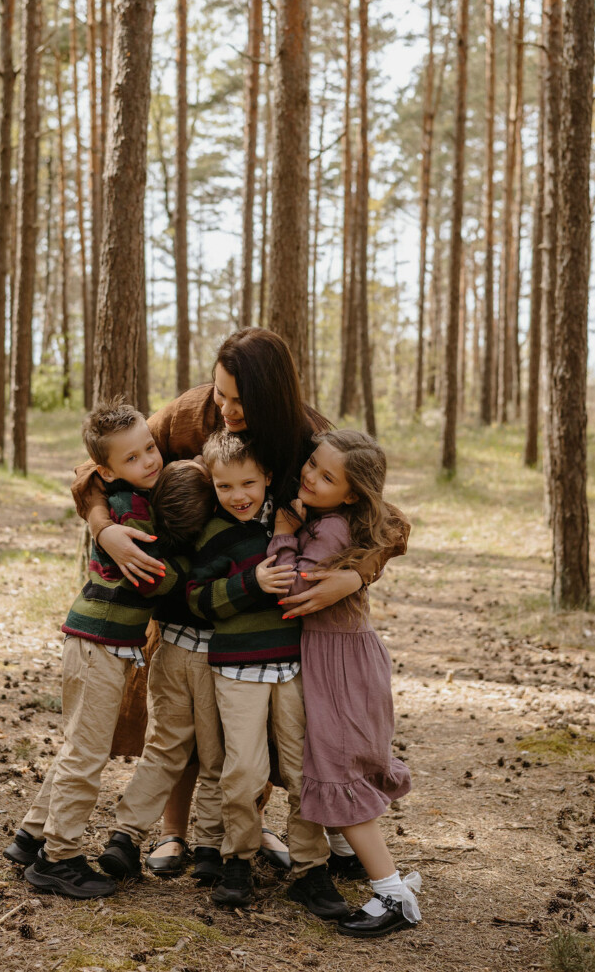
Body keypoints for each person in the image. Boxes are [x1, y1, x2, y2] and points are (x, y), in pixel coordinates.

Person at [70, 328, 402, 870]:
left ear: (271, 397)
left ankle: (237, 835)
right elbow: (97, 467)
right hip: (183, 601)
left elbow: (386, 520)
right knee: (176, 731)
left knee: (249, 735)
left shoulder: (306, 435)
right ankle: (172, 835)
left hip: (262, 618)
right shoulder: (189, 411)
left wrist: (355, 577)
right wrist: (104, 527)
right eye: (220, 393)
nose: (223, 408)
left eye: (238, 400)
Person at [3, 401, 215, 898]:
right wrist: (196, 566)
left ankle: (29, 837)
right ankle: (59, 858)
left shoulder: (135, 496)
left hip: (102, 644)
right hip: (98, 644)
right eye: (133, 458)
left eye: (150, 448)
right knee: (87, 754)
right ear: (106, 470)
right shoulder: (127, 511)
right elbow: (155, 580)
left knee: (78, 745)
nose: (150, 461)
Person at [185, 431, 350, 921]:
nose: (238, 496)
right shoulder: (213, 533)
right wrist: (249, 583)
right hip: (236, 670)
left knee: (302, 769)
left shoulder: (296, 522)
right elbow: (197, 599)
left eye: (248, 483)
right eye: (225, 486)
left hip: (294, 665)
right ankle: (238, 859)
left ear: (268, 479)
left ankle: (310, 869)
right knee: (245, 771)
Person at [267, 429, 422, 939]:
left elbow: (293, 590)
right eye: (312, 464)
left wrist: (285, 532)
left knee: (339, 768)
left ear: (352, 494)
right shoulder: (336, 517)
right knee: (336, 761)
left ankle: (392, 894)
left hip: (341, 664)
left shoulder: (330, 529)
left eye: (326, 476)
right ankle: (360, 865)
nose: (310, 476)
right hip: (341, 655)